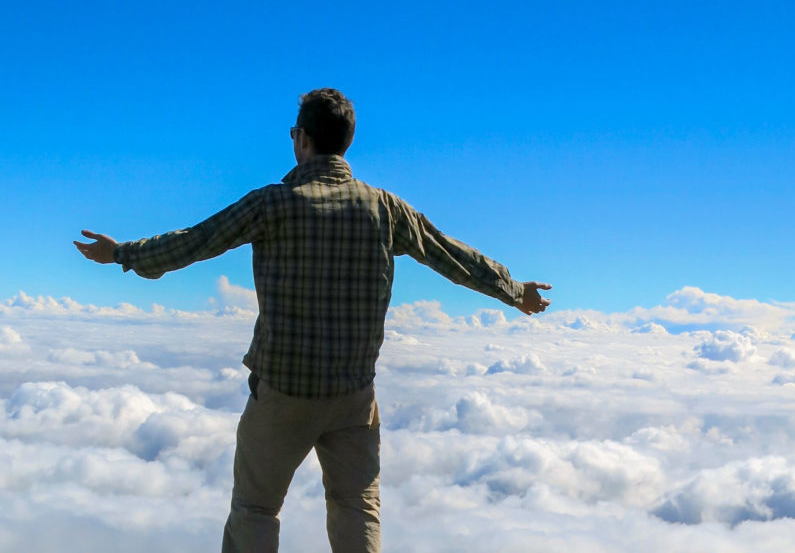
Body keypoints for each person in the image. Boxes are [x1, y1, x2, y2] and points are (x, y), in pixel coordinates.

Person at [74, 88, 551, 553]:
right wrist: (515, 291)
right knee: (356, 505)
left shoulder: (271, 203)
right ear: (346, 141)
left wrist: (122, 254)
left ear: (302, 138)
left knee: (255, 511)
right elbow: (453, 256)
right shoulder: (384, 208)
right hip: (353, 397)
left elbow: (195, 241)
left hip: (283, 393)